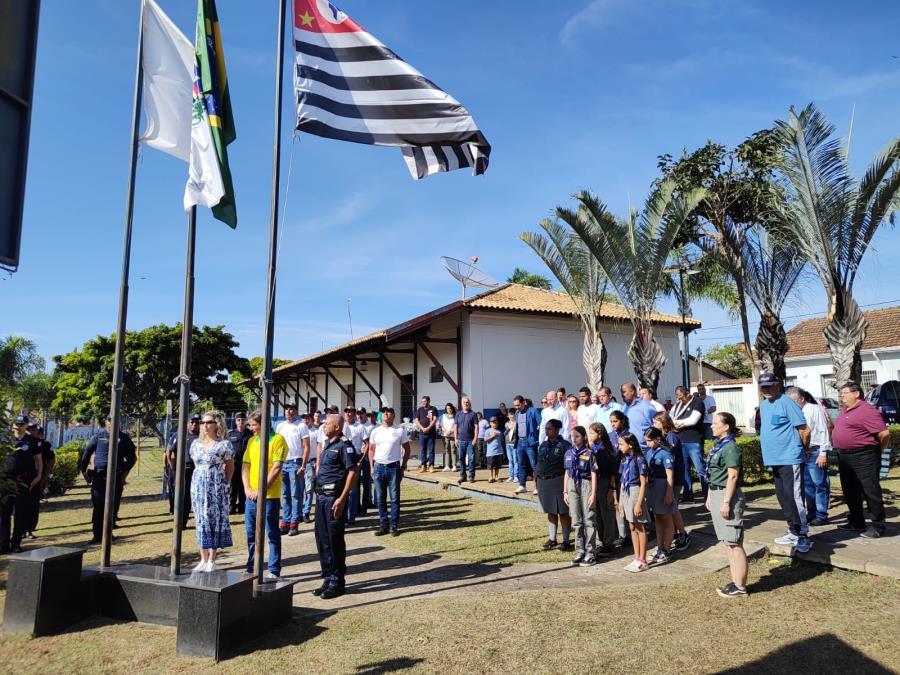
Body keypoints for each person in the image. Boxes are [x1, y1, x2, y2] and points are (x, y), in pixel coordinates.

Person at [758, 373, 812, 553]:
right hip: (774, 459)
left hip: (790, 457)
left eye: (768, 386)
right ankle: (793, 530)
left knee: (794, 496)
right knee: (783, 496)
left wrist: (804, 449)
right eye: (762, 387)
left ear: (778, 385)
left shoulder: (787, 403)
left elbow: (804, 430)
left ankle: (803, 535)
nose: (765, 390)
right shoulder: (764, 405)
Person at [832, 381, 891, 538]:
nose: (842, 396)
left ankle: (878, 526)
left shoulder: (867, 410)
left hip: (864, 455)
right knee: (850, 490)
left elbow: (884, 434)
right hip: (845, 456)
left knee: (870, 490)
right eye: (841, 394)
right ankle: (857, 521)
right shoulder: (845, 409)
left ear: (856, 393)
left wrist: (878, 449)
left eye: (845, 393)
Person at [312, 413, 361, 600]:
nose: (324, 425)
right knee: (322, 538)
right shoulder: (328, 444)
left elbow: (353, 471)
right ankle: (327, 577)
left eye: (327, 423)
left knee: (334, 539)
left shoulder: (344, 445)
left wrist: (342, 499)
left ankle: (337, 581)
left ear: (337, 427)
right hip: (321, 498)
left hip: (334, 499)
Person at [706, 412, 748, 597]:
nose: (712, 426)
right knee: (728, 542)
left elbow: (733, 476)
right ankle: (735, 581)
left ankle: (740, 587)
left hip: (727, 496)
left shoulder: (730, 447)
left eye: (715, 423)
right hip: (718, 493)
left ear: (726, 426)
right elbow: (714, 474)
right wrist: (710, 495)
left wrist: (725, 502)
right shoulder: (719, 445)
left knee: (734, 542)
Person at [243, 410, 286, 581]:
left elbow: (276, 468)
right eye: (250, 425)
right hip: (251, 496)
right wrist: (247, 488)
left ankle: (274, 569)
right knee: (251, 533)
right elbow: (245, 466)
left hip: (269, 496)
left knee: (271, 533)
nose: (251, 428)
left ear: (264, 424)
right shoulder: (252, 441)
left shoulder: (277, 440)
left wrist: (261, 490)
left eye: (254, 425)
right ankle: (251, 566)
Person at [79, 416, 136, 544]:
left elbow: (132, 457)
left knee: (112, 507)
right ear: (106, 422)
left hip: (116, 477)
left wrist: (125, 473)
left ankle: (108, 534)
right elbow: (86, 453)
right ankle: (97, 536)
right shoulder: (98, 437)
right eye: (110, 420)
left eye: (115, 420)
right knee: (98, 507)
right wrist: (84, 471)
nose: (113, 423)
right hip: (99, 477)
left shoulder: (124, 438)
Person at [189, 412, 235, 572]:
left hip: (216, 486)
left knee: (214, 519)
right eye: (202, 422)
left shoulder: (224, 444)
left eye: (208, 422)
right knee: (200, 519)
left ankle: (212, 559)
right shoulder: (195, 444)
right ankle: (203, 558)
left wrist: (226, 483)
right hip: (198, 487)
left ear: (217, 424)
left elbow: (230, 465)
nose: (204, 425)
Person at [786, 387, 833, 526]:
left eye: (793, 401)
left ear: (801, 399)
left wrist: (823, 453)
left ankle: (821, 514)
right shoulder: (795, 412)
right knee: (807, 485)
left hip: (815, 451)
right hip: (804, 452)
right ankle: (811, 513)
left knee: (819, 484)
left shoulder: (814, 409)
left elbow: (824, 430)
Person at [368, 407, 411, 536]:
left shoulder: (399, 430)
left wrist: (403, 466)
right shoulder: (375, 431)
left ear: (393, 415)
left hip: (393, 467)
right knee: (380, 499)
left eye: (389, 412)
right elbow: (371, 449)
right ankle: (383, 525)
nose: (386, 414)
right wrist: (371, 466)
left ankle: (393, 526)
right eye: (384, 412)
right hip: (378, 466)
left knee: (394, 499)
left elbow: (407, 449)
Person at [652, 412, 690, 551]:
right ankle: (673, 532)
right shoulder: (662, 436)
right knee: (669, 508)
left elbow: (669, 454)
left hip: (674, 477)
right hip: (666, 478)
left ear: (663, 423)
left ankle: (683, 534)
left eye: (656, 422)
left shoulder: (671, 436)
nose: (653, 424)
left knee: (672, 508)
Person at [2, 416, 41, 553]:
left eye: (22, 424)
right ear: (13, 425)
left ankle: (16, 544)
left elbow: (38, 460)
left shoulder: (32, 441)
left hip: (23, 482)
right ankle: (3, 544)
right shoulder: (5, 440)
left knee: (20, 514)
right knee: (4, 514)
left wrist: (38, 476)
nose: (19, 426)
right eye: (17, 424)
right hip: (6, 481)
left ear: (26, 426)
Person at [535, 418, 573, 551]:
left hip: (558, 481)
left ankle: (566, 540)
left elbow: (569, 467)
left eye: (549, 428)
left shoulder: (565, 446)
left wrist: (566, 486)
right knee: (550, 511)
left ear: (557, 430)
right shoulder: (543, 444)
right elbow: (539, 463)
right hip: (543, 482)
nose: (547, 431)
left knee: (563, 512)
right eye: (546, 428)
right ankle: (552, 539)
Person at [563, 425, 598, 566]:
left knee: (588, 519)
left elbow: (594, 473)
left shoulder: (589, 453)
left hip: (586, 484)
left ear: (584, 437)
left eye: (577, 436)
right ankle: (580, 551)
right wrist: (565, 491)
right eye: (573, 436)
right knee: (576, 520)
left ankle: (590, 553)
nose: (574, 439)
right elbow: (567, 472)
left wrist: (593, 494)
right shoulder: (569, 452)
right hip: (572, 484)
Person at [276, 403, 311, 536]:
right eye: (287, 409)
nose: (289, 411)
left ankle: (294, 523)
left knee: (296, 495)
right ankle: (286, 520)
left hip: (296, 462)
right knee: (285, 495)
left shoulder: (301, 426)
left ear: (296, 411)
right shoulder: (280, 426)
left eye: (291, 409)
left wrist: (303, 466)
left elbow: (306, 447)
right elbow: (277, 445)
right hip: (283, 463)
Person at [643, 427, 676, 564]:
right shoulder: (649, 452)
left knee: (666, 518)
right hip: (653, 487)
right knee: (658, 518)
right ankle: (660, 547)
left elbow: (670, 475)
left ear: (657, 439)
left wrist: (669, 493)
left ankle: (667, 549)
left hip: (663, 486)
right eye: (646, 441)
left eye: (649, 441)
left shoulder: (665, 453)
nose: (647, 444)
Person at [617, 431, 649, 572]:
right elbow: (622, 481)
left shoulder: (639, 459)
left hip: (635, 492)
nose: (619, 447)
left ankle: (643, 559)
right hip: (626, 492)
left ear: (630, 444)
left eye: (621, 444)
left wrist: (639, 503)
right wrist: (620, 500)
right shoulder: (624, 459)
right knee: (631, 526)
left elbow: (644, 483)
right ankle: (636, 557)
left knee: (640, 526)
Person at [670, 385, 707, 502]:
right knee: (684, 469)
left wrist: (677, 423)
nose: (678, 399)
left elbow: (693, 420)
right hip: (680, 441)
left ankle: (708, 495)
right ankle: (688, 494)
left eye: (680, 396)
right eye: (677, 396)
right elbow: (670, 418)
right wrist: (674, 424)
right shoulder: (677, 405)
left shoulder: (697, 402)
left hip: (694, 441)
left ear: (687, 394)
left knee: (700, 469)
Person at [588, 422, 617, 557]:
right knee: (597, 514)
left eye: (592, 433)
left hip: (605, 483)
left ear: (599, 433)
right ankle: (601, 541)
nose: (590, 435)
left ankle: (609, 542)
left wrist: (611, 488)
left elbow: (612, 472)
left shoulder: (607, 449)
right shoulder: (592, 448)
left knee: (607, 513)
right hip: (594, 483)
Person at [166, 413, 200, 526]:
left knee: (191, 496)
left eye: (197, 422)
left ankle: (186, 521)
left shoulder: (202, 436)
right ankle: (180, 521)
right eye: (192, 422)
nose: (194, 425)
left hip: (196, 469)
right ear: (187, 423)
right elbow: (170, 452)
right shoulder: (180, 435)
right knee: (180, 495)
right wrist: (173, 469)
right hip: (182, 469)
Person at [25, 422, 53, 539]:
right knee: (21, 505)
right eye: (29, 429)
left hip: (37, 478)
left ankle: (29, 529)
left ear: (38, 432)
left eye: (33, 430)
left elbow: (51, 459)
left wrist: (46, 476)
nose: (30, 432)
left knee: (33, 504)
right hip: (22, 478)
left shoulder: (43, 444)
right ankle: (20, 530)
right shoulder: (21, 442)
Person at [512, 395, 542, 495]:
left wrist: (538, 437)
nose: (517, 407)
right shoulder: (517, 413)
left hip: (530, 442)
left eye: (518, 405)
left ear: (524, 402)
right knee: (521, 464)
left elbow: (541, 424)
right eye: (515, 405)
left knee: (534, 465)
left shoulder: (533, 411)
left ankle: (537, 487)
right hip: (520, 442)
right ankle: (522, 485)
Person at [227, 412, 252, 515]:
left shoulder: (250, 434)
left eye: (243, 420)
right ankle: (231, 507)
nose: (241, 422)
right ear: (236, 421)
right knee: (233, 486)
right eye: (239, 420)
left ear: (246, 421)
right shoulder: (230, 434)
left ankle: (242, 507)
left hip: (246, 464)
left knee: (243, 485)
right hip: (234, 463)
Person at [620, 382, 656, 451]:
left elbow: (655, 427)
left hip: (645, 450)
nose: (622, 395)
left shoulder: (646, 406)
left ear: (632, 392)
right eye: (621, 392)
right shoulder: (623, 408)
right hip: (629, 449)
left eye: (624, 392)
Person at [454, 397, 479, 484]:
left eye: (467, 402)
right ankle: (463, 476)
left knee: (471, 459)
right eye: (464, 402)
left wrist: (475, 438)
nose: (466, 403)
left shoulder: (473, 414)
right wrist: (455, 438)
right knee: (461, 458)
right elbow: (455, 427)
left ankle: (471, 476)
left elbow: (476, 427)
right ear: (461, 403)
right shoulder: (458, 414)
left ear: (469, 403)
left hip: (470, 441)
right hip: (460, 440)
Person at [414, 396, 439, 473]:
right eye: (422, 401)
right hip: (422, 433)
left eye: (425, 401)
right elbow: (416, 420)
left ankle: (431, 466)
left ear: (428, 401)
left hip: (431, 433)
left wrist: (428, 428)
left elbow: (435, 419)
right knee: (423, 450)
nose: (423, 403)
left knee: (431, 450)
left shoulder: (433, 409)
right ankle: (423, 466)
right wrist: (422, 428)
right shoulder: (420, 409)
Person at [439, 403, 457, 472]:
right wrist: (446, 431)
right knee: (446, 450)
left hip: (452, 435)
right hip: (445, 435)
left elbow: (456, 426)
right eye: (447, 408)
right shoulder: (442, 416)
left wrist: (450, 431)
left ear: (452, 409)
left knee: (453, 450)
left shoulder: (455, 416)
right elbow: (441, 425)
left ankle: (454, 466)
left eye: (450, 408)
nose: (449, 410)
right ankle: (447, 466)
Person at [485, 417, 504, 482]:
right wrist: (493, 436)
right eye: (493, 423)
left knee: (497, 466)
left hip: (499, 451)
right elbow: (485, 439)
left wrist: (502, 450)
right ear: (490, 423)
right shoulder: (487, 431)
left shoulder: (499, 432)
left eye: (496, 423)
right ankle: (491, 477)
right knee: (490, 465)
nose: (495, 424)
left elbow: (501, 441)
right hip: (491, 452)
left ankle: (496, 476)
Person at [504, 411, 519, 483]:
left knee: (515, 461)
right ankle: (511, 476)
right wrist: (508, 428)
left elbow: (518, 434)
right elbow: (504, 433)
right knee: (510, 460)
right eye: (509, 415)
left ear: (514, 415)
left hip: (514, 444)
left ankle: (516, 476)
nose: (510, 416)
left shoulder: (517, 423)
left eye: (511, 415)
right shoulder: (507, 423)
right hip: (507, 444)